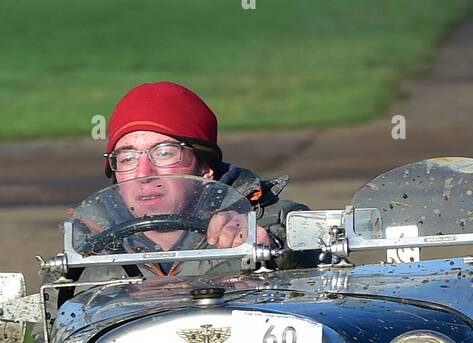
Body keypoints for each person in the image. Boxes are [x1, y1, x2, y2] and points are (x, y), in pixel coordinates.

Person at [82, 82, 312, 268]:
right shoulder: (86, 243)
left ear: (205, 167)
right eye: (128, 159)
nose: (143, 174)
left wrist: (274, 250)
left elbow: (329, 281)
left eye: (164, 153)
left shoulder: (278, 220)